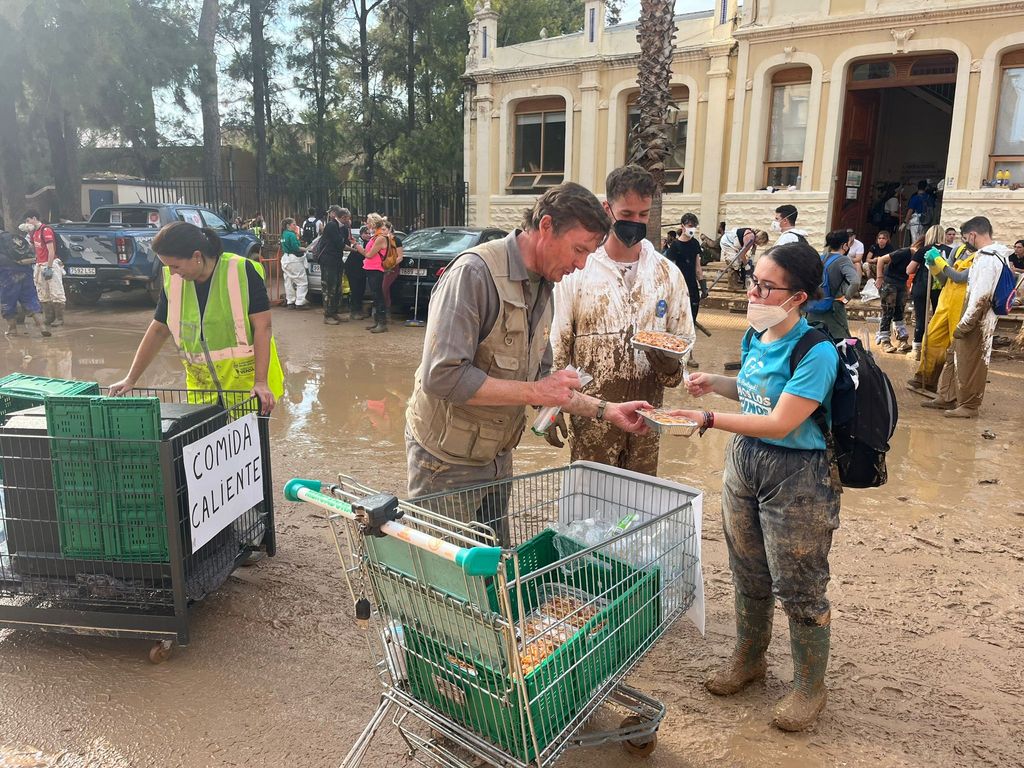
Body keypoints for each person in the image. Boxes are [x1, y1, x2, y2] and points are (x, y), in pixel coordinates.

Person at [405, 182, 651, 536]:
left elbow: (546, 381)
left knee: (492, 570)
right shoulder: (474, 275)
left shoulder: (544, 286)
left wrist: (607, 410)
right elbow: (442, 376)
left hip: (495, 458)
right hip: (445, 463)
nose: (581, 265)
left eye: (588, 254)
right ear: (547, 226)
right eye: (578, 250)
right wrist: (536, 392)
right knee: (440, 577)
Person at [668, 241, 841, 733]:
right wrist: (713, 385)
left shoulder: (816, 351)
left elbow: (784, 421)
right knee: (748, 569)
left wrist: (707, 417)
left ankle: (810, 687)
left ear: (798, 297)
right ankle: (750, 659)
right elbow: (754, 394)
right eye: (753, 281)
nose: (754, 292)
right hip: (744, 462)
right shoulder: (755, 335)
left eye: (766, 286)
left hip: (798, 477)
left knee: (801, 585)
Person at [549, 166, 694, 476]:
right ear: (608, 209)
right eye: (627, 213)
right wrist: (550, 407)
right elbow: (557, 345)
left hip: (647, 419)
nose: (636, 222)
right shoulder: (578, 270)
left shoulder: (667, 275)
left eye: (644, 215)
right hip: (591, 422)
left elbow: (682, 350)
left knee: (639, 506)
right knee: (588, 510)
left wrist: (670, 365)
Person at [109, 222, 283, 414]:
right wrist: (131, 379)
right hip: (203, 393)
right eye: (168, 266)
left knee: (250, 443)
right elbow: (158, 330)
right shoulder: (174, 282)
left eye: (175, 265)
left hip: (247, 390)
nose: (172, 272)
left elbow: (263, 327)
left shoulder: (242, 271)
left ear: (197, 256)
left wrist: (260, 382)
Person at [920, 216, 1012, 418]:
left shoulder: (987, 259)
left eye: (965, 237)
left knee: (971, 363)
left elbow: (981, 297)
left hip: (977, 321)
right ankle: (947, 395)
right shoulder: (990, 255)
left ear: (972, 235)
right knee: (955, 356)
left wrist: (966, 323)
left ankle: (969, 405)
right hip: (968, 314)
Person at [906, 234, 974, 395]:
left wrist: (939, 261)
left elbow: (959, 277)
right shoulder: (958, 251)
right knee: (931, 338)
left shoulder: (981, 257)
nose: (964, 240)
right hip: (945, 301)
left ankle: (954, 392)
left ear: (974, 235)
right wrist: (934, 266)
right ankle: (926, 379)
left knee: (956, 347)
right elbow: (945, 279)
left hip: (963, 304)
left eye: (966, 236)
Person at [804, 230, 860, 338]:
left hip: (813, 306)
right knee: (841, 341)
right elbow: (855, 281)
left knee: (811, 339)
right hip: (833, 308)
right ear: (844, 245)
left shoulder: (820, 258)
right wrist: (845, 299)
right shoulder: (843, 260)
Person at [0, 224, 50, 338]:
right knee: (30, 298)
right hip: (25, 270)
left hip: (7, 274)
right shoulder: (12, 236)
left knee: (8, 302)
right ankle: (42, 327)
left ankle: (12, 330)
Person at [668, 212, 706, 359]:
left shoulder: (695, 243)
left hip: (693, 288)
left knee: (691, 322)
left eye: (694, 226)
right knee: (678, 321)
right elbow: (670, 270)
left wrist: (703, 285)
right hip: (679, 290)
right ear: (682, 226)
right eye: (690, 226)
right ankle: (675, 352)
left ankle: (689, 354)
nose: (692, 229)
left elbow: (697, 267)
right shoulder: (675, 247)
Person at [906, 225, 945, 359]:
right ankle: (936, 349)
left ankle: (917, 349)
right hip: (941, 287)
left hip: (922, 286)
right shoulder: (950, 250)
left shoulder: (923, 250)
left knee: (921, 318)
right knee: (938, 318)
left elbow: (909, 270)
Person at [874, 235, 916, 353]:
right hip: (890, 282)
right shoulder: (904, 252)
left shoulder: (918, 257)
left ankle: (902, 339)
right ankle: (885, 340)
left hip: (902, 283)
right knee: (888, 312)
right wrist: (879, 277)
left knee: (899, 311)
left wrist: (908, 286)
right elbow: (881, 259)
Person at [24, 210, 65, 328]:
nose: (27, 223)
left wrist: (50, 267)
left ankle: (59, 318)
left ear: (34, 218)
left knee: (56, 291)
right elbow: (33, 248)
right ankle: (48, 318)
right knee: (42, 292)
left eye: (28, 220)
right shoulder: (33, 233)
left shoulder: (45, 230)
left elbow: (51, 251)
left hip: (49, 263)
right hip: (39, 264)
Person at [360, 212, 390, 334]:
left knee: (378, 295)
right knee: (375, 295)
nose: (366, 224)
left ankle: (382, 323)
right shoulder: (375, 237)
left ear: (372, 223)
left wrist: (357, 246)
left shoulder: (380, 238)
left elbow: (369, 254)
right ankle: (378, 321)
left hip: (376, 268)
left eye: (368, 222)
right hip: (371, 268)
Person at [319, 205, 349, 325]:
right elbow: (339, 243)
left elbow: (345, 242)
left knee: (338, 288)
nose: (349, 220)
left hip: (337, 259)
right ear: (343, 217)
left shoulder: (343, 228)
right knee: (329, 288)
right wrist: (356, 250)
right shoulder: (332, 225)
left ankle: (334, 312)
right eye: (347, 218)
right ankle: (327, 315)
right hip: (328, 260)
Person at [279, 217, 309, 309]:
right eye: (294, 224)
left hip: (285, 259)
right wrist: (307, 249)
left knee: (288, 281)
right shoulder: (291, 235)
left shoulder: (283, 234)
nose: (295, 226)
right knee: (302, 282)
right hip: (293, 260)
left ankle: (290, 301)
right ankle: (300, 302)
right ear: (288, 225)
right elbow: (296, 248)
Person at [381, 220, 403, 318]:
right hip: (380, 267)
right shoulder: (381, 239)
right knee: (382, 289)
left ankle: (386, 310)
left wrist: (390, 265)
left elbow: (400, 257)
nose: (382, 231)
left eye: (384, 229)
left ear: (390, 229)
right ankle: (383, 310)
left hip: (391, 268)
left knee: (384, 288)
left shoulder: (396, 240)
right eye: (381, 229)